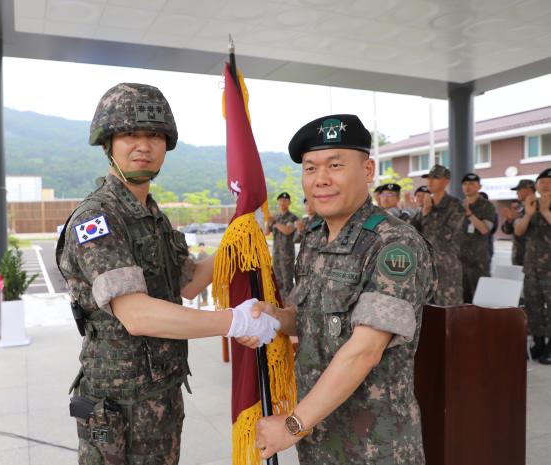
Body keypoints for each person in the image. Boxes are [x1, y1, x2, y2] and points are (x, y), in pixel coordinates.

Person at [55, 83, 280, 465]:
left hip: (161, 393)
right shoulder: (99, 218)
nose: (143, 145)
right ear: (108, 143)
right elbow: (137, 314)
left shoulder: (151, 217)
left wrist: (237, 237)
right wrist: (233, 321)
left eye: (154, 135)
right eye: (129, 134)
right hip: (119, 404)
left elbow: (188, 283)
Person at [242, 114, 435, 464]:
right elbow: (312, 320)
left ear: (367, 170)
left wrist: (292, 424)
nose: (321, 180)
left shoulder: (394, 244)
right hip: (318, 435)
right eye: (310, 168)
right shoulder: (314, 237)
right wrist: (279, 318)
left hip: (374, 444)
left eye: (335, 165)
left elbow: (365, 350)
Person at [410, 164, 466, 305]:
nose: (430, 182)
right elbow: (411, 232)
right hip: (425, 269)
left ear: (446, 181)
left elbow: (446, 235)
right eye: (428, 178)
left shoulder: (455, 206)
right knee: (428, 315)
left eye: (435, 178)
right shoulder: (426, 204)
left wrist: (427, 215)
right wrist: (424, 212)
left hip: (447, 271)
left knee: (449, 315)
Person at [514, 168, 551, 364]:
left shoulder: (544, 206)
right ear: (536, 186)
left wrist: (545, 211)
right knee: (534, 305)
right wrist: (528, 214)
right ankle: (538, 343)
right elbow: (519, 231)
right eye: (542, 181)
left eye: (549, 181)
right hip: (531, 266)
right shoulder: (529, 204)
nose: (546, 184)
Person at [459, 174, 496, 303]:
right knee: (462, 299)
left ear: (479, 186)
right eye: (465, 184)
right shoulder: (458, 205)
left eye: (471, 184)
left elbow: (484, 229)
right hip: (460, 260)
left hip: (478, 261)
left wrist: (469, 213)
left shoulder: (487, 206)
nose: (467, 187)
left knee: (481, 299)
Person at [266, 192, 299, 300]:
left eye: (285, 200)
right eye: (280, 200)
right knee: (277, 280)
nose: (282, 202)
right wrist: (268, 222)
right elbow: (266, 232)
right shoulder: (275, 217)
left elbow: (288, 231)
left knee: (287, 281)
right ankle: (279, 304)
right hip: (276, 254)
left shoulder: (292, 217)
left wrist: (276, 224)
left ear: (289, 202)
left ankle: (288, 306)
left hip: (287, 255)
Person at [501, 179, 536, 266]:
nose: (517, 193)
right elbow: (507, 231)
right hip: (518, 257)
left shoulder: (540, 208)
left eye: (519, 190)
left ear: (529, 189)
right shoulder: (520, 210)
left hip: (535, 260)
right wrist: (509, 221)